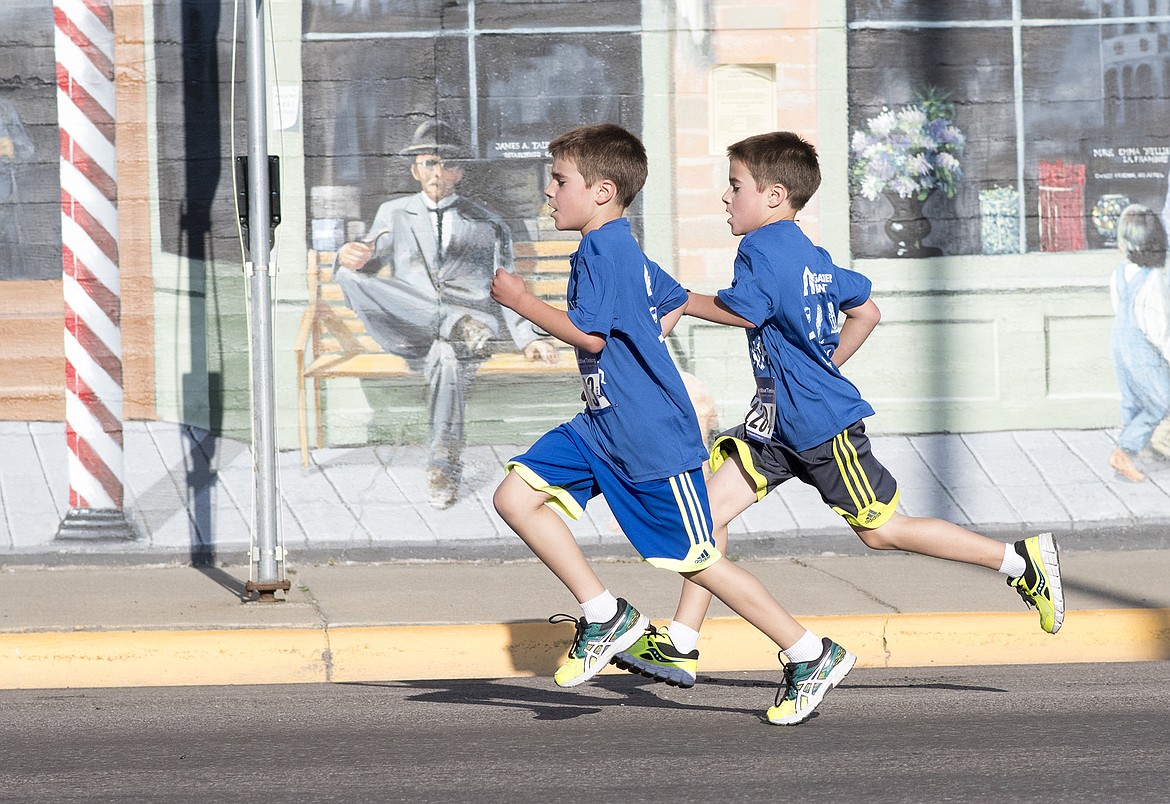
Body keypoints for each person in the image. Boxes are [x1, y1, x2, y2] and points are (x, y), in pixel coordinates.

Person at [612, 131, 1065, 690]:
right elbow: (866, 310)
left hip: (820, 430)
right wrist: (824, 364)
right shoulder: (808, 252)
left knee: (882, 530)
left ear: (775, 196)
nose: (725, 198)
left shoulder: (762, 248)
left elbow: (744, 310)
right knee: (702, 519)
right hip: (775, 428)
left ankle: (1021, 562)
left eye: (735, 186)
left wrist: (678, 299)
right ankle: (681, 642)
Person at [490, 123, 855, 726]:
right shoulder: (615, 250)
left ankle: (808, 651)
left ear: (604, 190)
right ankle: (605, 614)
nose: (548, 194)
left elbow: (591, 335)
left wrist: (522, 303)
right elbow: (668, 303)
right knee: (514, 495)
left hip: (647, 435)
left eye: (559, 181)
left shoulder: (608, 250)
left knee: (696, 558)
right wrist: (647, 333)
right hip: (601, 423)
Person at [334, 120, 558, 509]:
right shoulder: (393, 213)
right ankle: (453, 324)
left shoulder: (487, 222)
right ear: (415, 170)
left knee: (448, 356)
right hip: (410, 328)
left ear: (461, 171)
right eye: (429, 163)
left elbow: (508, 286)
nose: (437, 173)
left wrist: (530, 338)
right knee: (343, 275)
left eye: (447, 164)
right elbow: (367, 264)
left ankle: (442, 465)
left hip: (473, 329)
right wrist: (354, 256)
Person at [1107, 203, 1170, 482]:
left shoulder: (1119, 274)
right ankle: (1125, 451)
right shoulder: (1154, 279)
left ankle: (1138, 449)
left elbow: (1119, 310)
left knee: (1132, 401)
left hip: (1120, 345)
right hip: (1144, 351)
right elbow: (1158, 327)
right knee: (1162, 403)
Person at [0, 94, 34, 278]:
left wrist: (11, 154)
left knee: (14, 265)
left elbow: (26, 150)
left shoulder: (3, 109)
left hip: (5, 197)